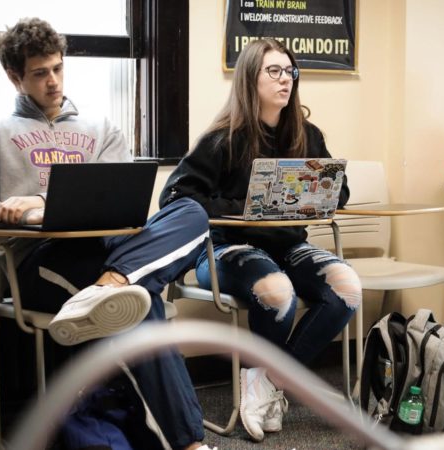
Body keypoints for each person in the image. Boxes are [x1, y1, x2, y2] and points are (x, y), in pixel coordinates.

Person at [0, 18, 214, 450]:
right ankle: (190, 444)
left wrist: (41, 202)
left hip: (107, 254)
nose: (53, 81)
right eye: (39, 73)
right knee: (140, 307)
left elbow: (130, 204)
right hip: (41, 262)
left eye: (58, 68)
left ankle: (113, 283)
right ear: (14, 77)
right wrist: (14, 212)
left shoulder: (102, 131)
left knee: (191, 211)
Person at [160, 38, 362, 441]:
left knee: (348, 288)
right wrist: (243, 206)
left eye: (290, 71)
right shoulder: (223, 138)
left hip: (286, 246)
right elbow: (175, 196)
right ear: (251, 78)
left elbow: (340, 192)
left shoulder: (308, 134)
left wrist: (319, 193)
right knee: (277, 291)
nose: (284, 79)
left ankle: (267, 380)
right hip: (223, 248)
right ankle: (269, 383)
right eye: (274, 71)